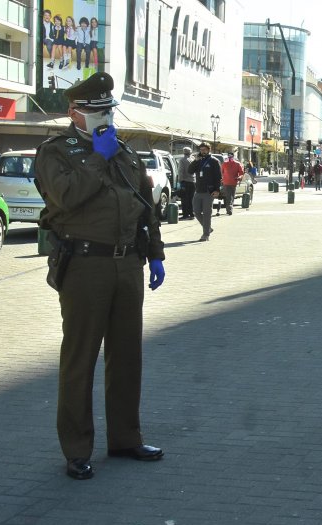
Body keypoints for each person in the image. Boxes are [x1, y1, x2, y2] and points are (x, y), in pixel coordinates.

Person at [34, 71, 166, 480]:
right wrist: (97, 157)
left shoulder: (124, 152)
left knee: (127, 356)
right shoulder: (55, 152)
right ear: (75, 112)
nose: (105, 115)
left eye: (108, 108)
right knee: (80, 357)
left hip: (128, 263)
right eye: (96, 110)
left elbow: (144, 204)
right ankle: (76, 449)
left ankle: (126, 437)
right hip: (85, 265)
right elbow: (66, 197)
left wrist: (156, 253)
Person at [188, 142, 221, 241]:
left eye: (204, 150)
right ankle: (208, 228)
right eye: (201, 150)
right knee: (196, 211)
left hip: (209, 191)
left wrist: (217, 190)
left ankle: (205, 234)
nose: (202, 152)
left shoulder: (214, 161)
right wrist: (195, 161)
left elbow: (218, 177)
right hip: (198, 190)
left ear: (208, 150)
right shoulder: (198, 160)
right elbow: (190, 171)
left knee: (207, 213)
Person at [219, 151, 245, 216]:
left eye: (231, 156)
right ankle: (229, 209)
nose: (230, 158)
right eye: (229, 156)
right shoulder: (225, 164)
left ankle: (229, 209)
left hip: (232, 182)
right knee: (230, 197)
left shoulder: (236, 164)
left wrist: (239, 177)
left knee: (230, 196)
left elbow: (241, 173)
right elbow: (221, 173)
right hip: (228, 182)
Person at [176, 147, 196, 219]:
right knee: (191, 198)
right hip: (193, 181)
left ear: (184, 152)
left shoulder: (182, 160)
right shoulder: (193, 159)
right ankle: (192, 213)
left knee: (184, 199)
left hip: (185, 181)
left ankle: (185, 215)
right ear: (190, 152)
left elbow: (180, 171)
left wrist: (179, 181)